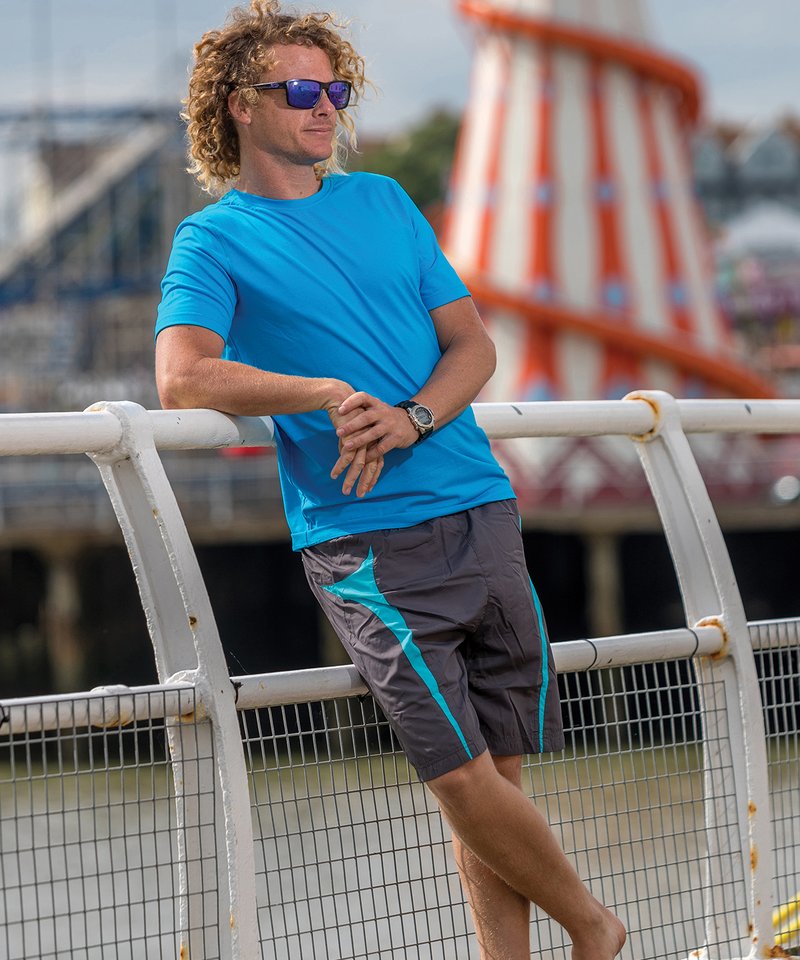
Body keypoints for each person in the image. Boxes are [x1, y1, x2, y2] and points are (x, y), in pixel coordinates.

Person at [154, 3, 627, 958]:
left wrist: (412, 416)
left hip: (482, 506)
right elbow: (181, 377)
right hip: (361, 535)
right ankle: (595, 927)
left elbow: (473, 346)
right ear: (240, 105)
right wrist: (324, 390)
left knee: (493, 780)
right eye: (301, 89)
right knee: (455, 775)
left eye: (335, 88)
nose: (325, 105)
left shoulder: (384, 201)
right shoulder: (212, 241)